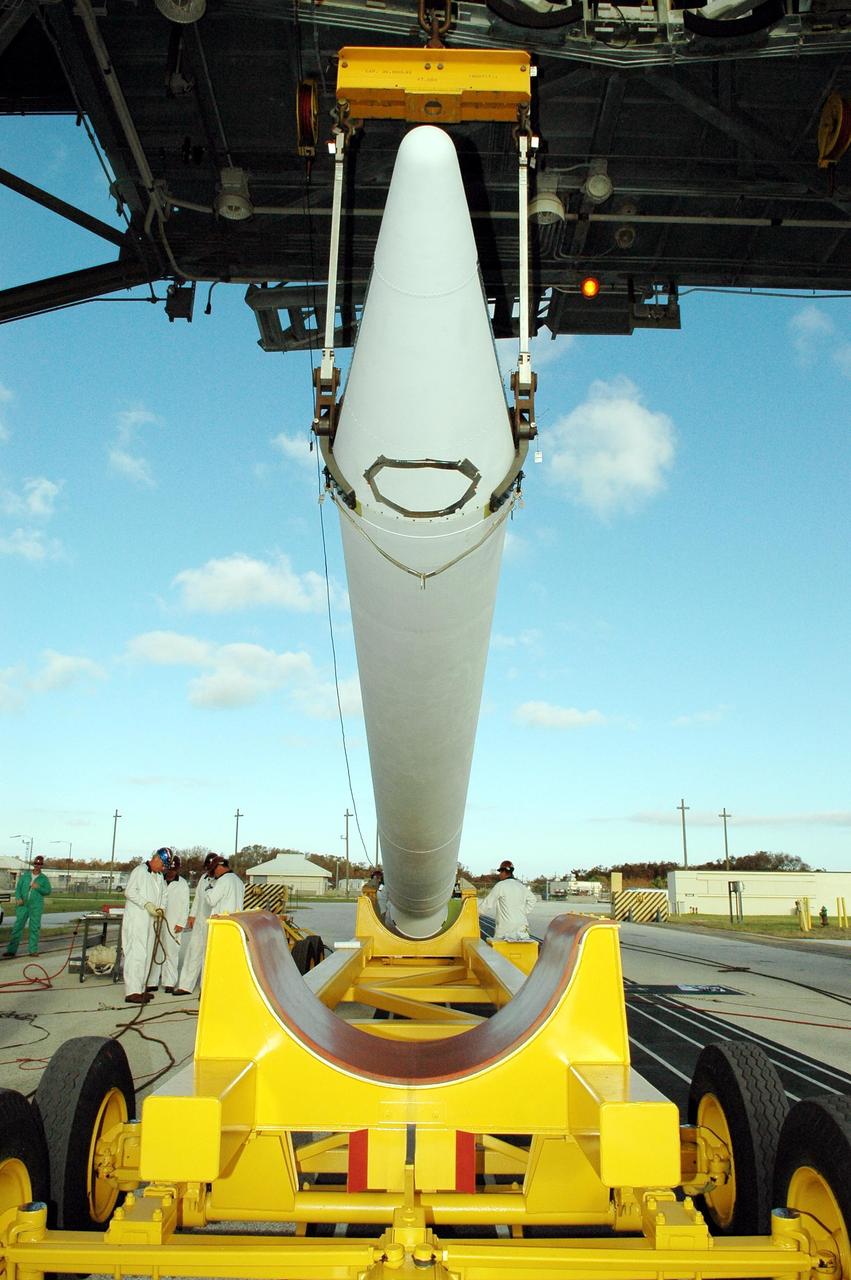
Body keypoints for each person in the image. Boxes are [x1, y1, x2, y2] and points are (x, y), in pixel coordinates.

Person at [121, 848, 169, 1004]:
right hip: (137, 919)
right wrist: (146, 904)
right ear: (156, 859)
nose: (163, 868)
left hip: (151, 920)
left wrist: (161, 908)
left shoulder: (159, 876)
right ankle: (132, 991)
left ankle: (141, 988)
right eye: (163, 864)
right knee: (136, 953)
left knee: (147, 954)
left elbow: (164, 895)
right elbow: (129, 892)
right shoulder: (140, 871)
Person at [173, 852, 218, 996]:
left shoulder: (223, 880)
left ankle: (206, 987)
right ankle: (186, 985)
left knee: (210, 956)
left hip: (215, 921)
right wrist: (192, 915)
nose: (209, 871)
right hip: (200, 920)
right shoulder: (203, 879)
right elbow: (198, 898)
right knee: (193, 952)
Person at [150, 855, 191, 993]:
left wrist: (181, 923)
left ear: (177, 869)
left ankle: (169, 982)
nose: (171, 872)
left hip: (173, 922)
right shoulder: (158, 879)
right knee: (156, 950)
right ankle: (152, 981)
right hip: (157, 919)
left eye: (174, 870)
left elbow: (185, 905)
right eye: (169, 869)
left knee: (171, 952)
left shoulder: (182, 883)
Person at [2, 855, 52, 959]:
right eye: (36, 863)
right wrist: (18, 898)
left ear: (42, 865)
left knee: (34, 928)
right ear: (34, 864)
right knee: (17, 927)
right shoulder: (25, 876)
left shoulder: (44, 878)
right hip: (23, 905)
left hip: (36, 906)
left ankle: (33, 950)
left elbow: (48, 891)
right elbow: (18, 889)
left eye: (40, 864)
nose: (37, 865)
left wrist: (38, 887)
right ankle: (11, 950)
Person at [479, 859, 537, 941]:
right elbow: (533, 899)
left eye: (500, 872)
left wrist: (476, 913)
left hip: (505, 928)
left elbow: (487, 903)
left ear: (503, 872)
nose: (499, 874)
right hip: (521, 926)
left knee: (500, 947)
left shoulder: (501, 885)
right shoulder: (520, 886)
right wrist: (524, 912)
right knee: (520, 947)